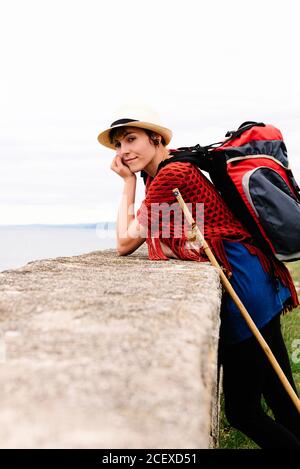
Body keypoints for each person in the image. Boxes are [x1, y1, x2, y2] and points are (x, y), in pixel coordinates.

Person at [97, 109, 300, 449]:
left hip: (241, 284)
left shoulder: (168, 176)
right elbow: (167, 234)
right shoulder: (175, 167)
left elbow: (124, 243)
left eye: (131, 140)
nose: (123, 151)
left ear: (156, 139)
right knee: (281, 398)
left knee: (243, 412)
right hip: (256, 275)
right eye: (118, 145)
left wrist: (127, 185)